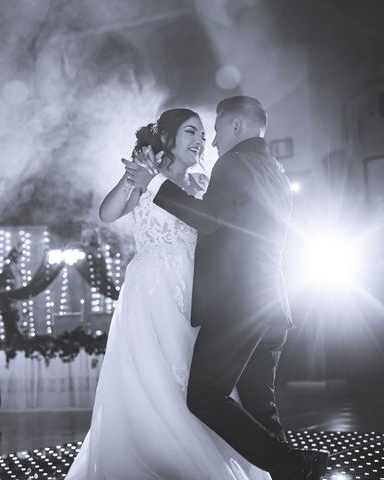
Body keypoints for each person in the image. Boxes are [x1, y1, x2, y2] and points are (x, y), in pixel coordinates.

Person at [65, 108, 268, 480]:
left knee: (199, 378)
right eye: (192, 132)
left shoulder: (203, 181)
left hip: (196, 289)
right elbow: (107, 214)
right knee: (152, 372)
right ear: (169, 137)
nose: (201, 141)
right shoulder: (143, 178)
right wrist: (132, 179)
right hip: (150, 288)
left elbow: (214, 227)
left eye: (205, 135)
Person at [137, 96, 328, 480]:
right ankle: (293, 473)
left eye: (218, 130)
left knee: (205, 396)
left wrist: (154, 183)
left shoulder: (235, 161)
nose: (212, 143)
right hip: (270, 302)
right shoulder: (272, 167)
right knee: (260, 408)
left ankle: (292, 464)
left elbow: (208, 220)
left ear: (237, 126)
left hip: (239, 303)